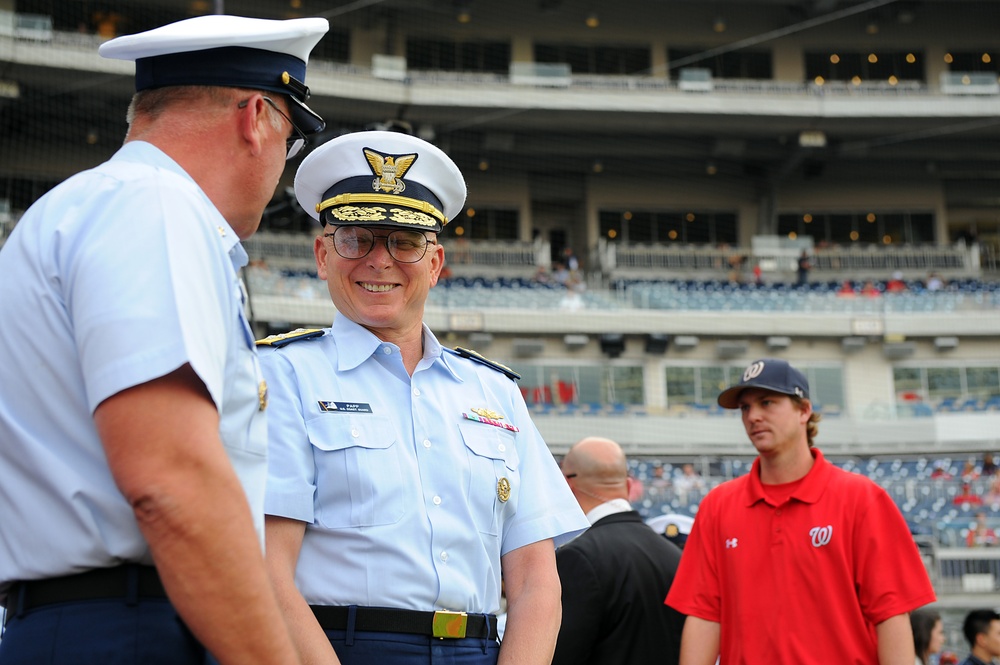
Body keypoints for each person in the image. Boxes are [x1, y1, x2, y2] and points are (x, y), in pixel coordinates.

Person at [0, 14, 328, 665]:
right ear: (257, 117)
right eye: (290, 141)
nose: (280, 167)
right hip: (128, 626)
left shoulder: (89, 204)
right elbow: (171, 481)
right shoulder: (155, 207)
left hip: (95, 616)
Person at [257, 130, 589, 665]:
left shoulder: (494, 392)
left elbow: (534, 582)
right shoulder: (284, 375)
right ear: (323, 255)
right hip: (341, 649)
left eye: (404, 241)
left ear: (435, 263)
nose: (379, 260)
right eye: (356, 238)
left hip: (482, 649)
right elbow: (266, 571)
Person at [666, 358, 936, 664]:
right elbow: (704, 616)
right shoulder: (718, 506)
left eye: (767, 402)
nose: (753, 415)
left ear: (803, 410)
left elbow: (892, 615)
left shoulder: (861, 499)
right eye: (745, 407)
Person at [552, 437, 686, 665]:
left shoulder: (577, 557)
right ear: (628, 485)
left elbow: (562, 654)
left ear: (568, 484)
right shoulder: (675, 556)